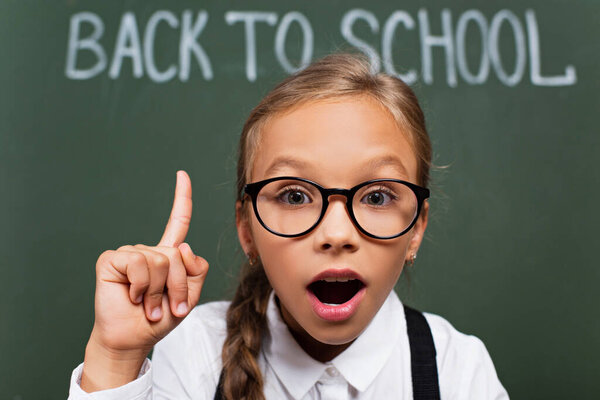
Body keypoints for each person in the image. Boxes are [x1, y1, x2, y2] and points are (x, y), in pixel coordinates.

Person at [68, 53, 509, 399]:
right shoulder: (191, 356)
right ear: (247, 229)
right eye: (295, 196)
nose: (337, 234)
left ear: (416, 227)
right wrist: (115, 358)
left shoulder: (457, 369)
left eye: (377, 196)